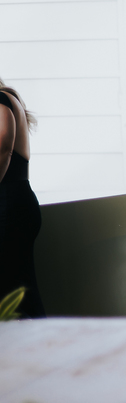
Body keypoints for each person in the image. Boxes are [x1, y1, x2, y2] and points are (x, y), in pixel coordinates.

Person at [0, 78, 44, 317]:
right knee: (20, 290)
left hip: (8, 202)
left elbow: (3, 147)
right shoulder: (9, 98)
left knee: (12, 292)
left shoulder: (1, 99)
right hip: (17, 199)